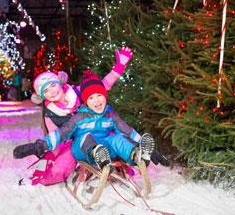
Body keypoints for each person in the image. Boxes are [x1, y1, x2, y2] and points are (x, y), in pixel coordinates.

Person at [14, 70, 156, 169]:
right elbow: (60, 134)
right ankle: (97, 155)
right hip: (80, 147)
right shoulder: (77, 117)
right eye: (46, 90)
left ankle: (137, 156)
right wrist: (38, 146)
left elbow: (127, 129)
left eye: (53, 85)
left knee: (118, 139)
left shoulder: (107, 112)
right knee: (85, 138)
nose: (97, 101)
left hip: (104, 144)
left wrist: (142, 144)